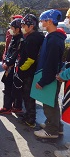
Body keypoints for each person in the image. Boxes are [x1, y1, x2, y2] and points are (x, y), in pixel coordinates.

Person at [34, 9, 66, 139]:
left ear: (49, 21)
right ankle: (56, 125)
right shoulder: (54, 37)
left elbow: (51, 63)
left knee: (49, 104)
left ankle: (52, 131)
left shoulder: (54, 40)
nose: (41, 23)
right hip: (51, 76)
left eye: (43, 20)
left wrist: (43, 81)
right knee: (52, 102)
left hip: (49, 77)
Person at [0, 18, 23, 115]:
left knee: (8, 88)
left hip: (13, 68)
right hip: (11, 66)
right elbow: (9, 51)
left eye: (12, 28)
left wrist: (7, 63)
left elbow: (15, 54)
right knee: (13, 87)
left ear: (18, 29)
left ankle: (7, 107)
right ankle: (16, 106)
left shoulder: (20, 39)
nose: (10, 29)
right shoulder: (14, 37)